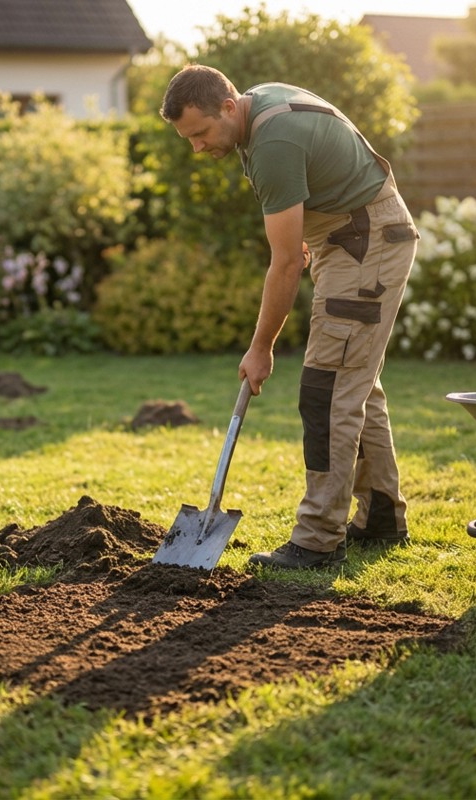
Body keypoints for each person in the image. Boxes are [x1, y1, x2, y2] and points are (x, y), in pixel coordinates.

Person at [159, 64, 418, 569]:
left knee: (327, 391)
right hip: (352, 239)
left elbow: (282, 266)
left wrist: (261, 348)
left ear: (228, 107)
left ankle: (319, 538)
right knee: (355, 385)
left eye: (201, 133)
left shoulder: (273, 142)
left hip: (365, 245)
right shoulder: (259, 113)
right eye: (187, 138)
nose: (197, 148)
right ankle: (382, 516)